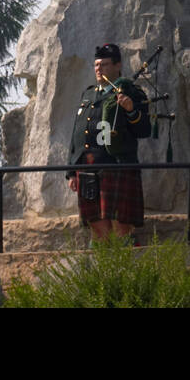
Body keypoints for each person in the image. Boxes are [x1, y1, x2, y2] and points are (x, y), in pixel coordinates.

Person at [67, 43, 151, 240]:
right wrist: (71, 171)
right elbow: (77, 132)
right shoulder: (88, 94)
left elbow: (144, 130)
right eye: (96, 65)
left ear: (117, 65)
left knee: (122, 227)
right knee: (97, 226)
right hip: (87, 167)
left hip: (117, 165)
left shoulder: (132, 92)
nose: (99, 69)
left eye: (104, 64)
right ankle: (104, 266)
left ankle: (123, 264)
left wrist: (131, 110)